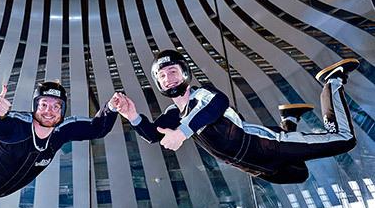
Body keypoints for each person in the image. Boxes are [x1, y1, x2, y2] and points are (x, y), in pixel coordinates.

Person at [113, 49, 358, 184]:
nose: (169, 78)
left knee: (344, 139)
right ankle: (290, 118)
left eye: (173, 71)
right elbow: (153, 135)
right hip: (258, 168)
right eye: (163, 76)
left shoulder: (203, 95)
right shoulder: (174, 115)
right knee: (300, 174)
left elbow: (220, 104)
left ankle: (332, 81)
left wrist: (183, 133)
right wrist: (132, 114)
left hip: (270, 148)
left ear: (185, 73)